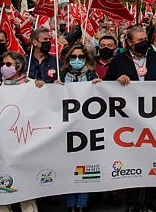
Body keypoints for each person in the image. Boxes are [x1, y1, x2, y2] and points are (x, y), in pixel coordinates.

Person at [104, 26, 156, 212]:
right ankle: (132, 203)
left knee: (154, 160)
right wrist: (117, 79)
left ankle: (152, 201)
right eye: (139, 40)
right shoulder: (118, 61)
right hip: (129, 121)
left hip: (154, 119)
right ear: (130, 42)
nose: (144, 43)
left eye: (145, 39)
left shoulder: (155, 57)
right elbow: (105, 85)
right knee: (131, 161)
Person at [0, 52, 43, 212]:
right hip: (1, 148)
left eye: (8, 64)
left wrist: (43, 87)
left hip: (24, 146)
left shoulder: (32, 85)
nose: (4, 67)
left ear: (19, 66)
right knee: (1, 193)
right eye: (3, 64)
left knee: (26, 193)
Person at [60, 44, 100, 212]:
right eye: (73, 57)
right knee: (66, 166)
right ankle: (70, 204)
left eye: (81, 57)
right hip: (64, 128)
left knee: (86, 166)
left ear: (86, 59)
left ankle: (82, 204)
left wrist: (100, 86)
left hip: (87, 127)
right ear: (68, 59)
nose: (77, 60)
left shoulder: (92, 74)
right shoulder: (61, 75)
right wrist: (51, 87)